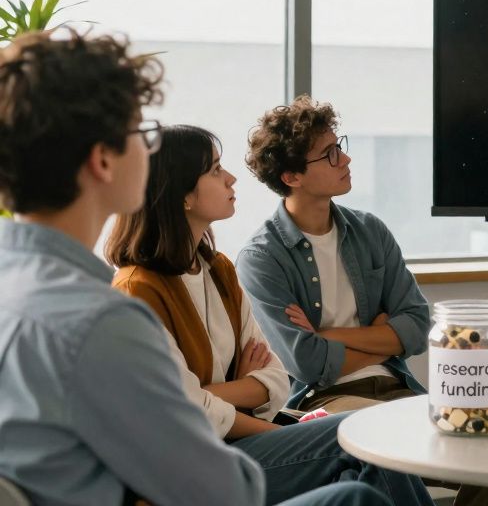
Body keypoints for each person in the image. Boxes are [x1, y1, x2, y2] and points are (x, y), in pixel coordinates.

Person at [0, 29, 388, 506]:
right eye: (141, 133)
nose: (150, 151)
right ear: (102, 160)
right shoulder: (101, 321)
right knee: (356, 490)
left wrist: (217, 397)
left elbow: (258, 389)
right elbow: (225, 490)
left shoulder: (17, 289)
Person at [104, 124, 430, 505]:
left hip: (237, 444)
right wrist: (255, 412)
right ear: (183, 196)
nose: (230, 178)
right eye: (215, 170)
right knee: (360, 436)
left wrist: (209, 394)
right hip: (191, 467)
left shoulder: (219, 270)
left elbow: (274, 381)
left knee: (358, 491)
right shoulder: (138, 290)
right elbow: (187, 411)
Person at [238, 95, 488, 506]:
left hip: (399, 388)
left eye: (340, 146)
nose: (346, 159)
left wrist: (328, 335)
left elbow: (417, 327)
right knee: (385, 445)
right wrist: (384, 336)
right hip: (326, 400)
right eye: (329, 154)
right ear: (292, 176)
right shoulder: (261, 257)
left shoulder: (369, 231)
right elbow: (308, 364)